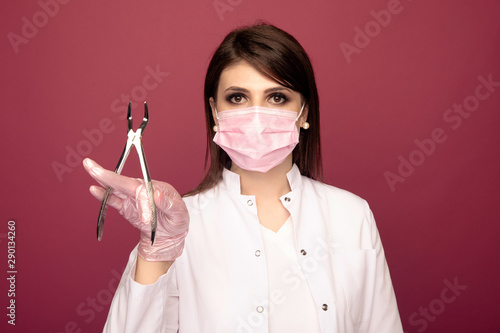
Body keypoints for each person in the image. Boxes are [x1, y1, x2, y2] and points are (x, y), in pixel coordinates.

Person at [83, 23, 403, 333]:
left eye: (277, 97)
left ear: (304, 112)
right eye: (238, 97)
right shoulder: (175, 224)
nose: (256, 116)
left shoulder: (352, 214)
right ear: (214, 112)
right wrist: (156, 252)